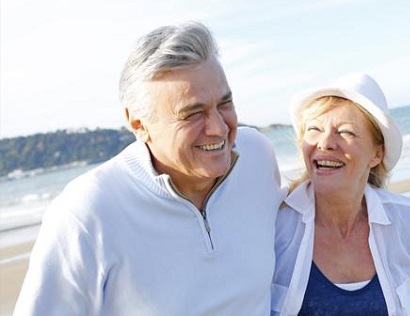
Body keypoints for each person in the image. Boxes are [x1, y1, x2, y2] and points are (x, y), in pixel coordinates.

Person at [14, 21, 286, 315]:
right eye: (193, 114)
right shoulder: (87, 212)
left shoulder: (257, 155)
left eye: (225, 103)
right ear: (139, 124)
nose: (219, 128)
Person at [272, 72, 410, 315]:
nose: (325, 142)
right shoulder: (275, 224)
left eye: (346, 132)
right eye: (315, 129)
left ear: (376, 154)